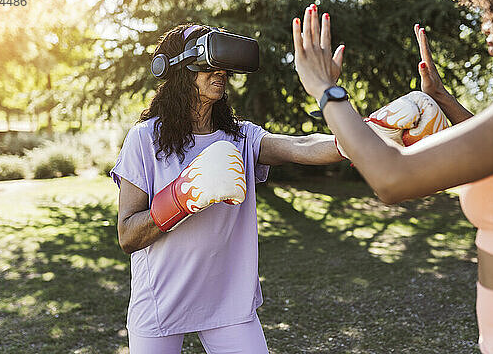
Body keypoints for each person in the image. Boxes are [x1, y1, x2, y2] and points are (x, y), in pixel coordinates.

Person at [291, 0, 493, 352]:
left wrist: (326, 90)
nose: (486, 23)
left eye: (492, 8)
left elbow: (394, 178)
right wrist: (441, 97)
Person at [110, 23, 348, 354]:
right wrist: (182, 196)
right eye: (207, 62)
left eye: (222, 63)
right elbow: (127, 235)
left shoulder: (240, 137)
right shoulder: (145, 139)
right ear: (177, 68)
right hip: (161, 302)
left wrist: (368, 134)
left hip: (228, 302)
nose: (218, 71)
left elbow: (302, 146)